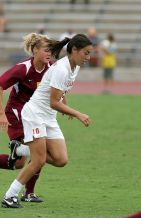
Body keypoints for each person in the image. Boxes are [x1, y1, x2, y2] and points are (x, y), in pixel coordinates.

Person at [1, 33, 93, 208]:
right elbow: (52, 101)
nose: (88, 57)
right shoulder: (60, 69)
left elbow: (60, 92)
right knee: (39, 160)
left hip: (49, 117)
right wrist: (77, 114)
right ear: (74, 50)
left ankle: (20, 149)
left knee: (61, 160)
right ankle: (10, 196)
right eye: (86, 53)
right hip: (34, 114)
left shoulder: (74, 67)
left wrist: (66, 105)